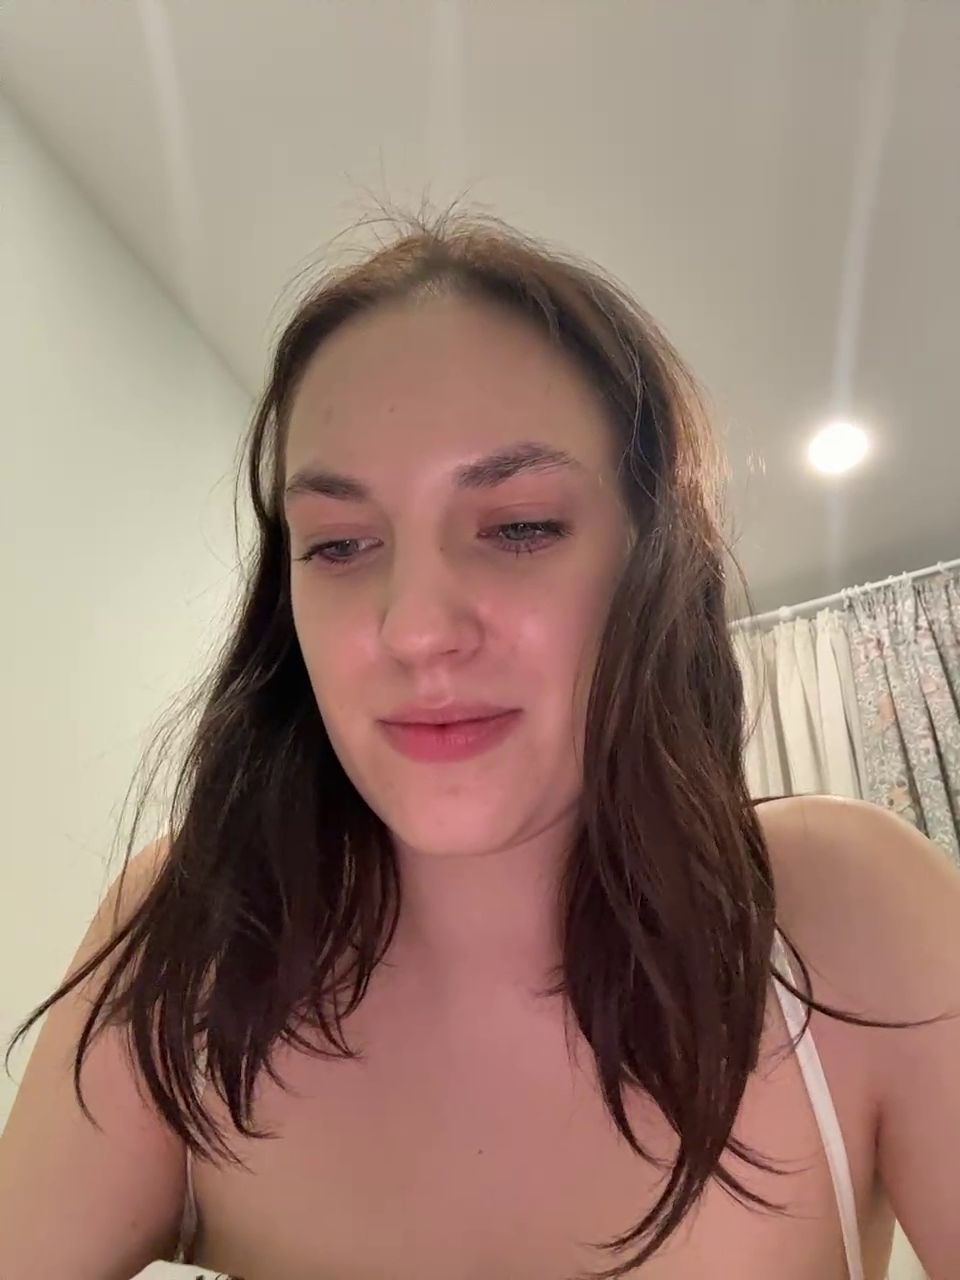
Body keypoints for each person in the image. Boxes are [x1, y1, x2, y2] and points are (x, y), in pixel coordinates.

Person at [1, 213, 958, 1280]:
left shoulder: (851, 913)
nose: (415, 628)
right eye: (340, 544)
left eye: (520, 526)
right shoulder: (197, 933)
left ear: (650, 566)